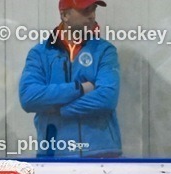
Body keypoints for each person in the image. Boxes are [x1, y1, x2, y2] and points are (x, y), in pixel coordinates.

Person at [18, 0, 121, 158]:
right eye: (85, 10)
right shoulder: (39, 53)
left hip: (101, 153)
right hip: (53, 154)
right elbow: (29, 97)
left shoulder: (105, 50)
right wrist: (80, 88)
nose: (92, 16)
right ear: (65, 15)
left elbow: (107, 98)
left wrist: (60, 109)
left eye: (93, 9)